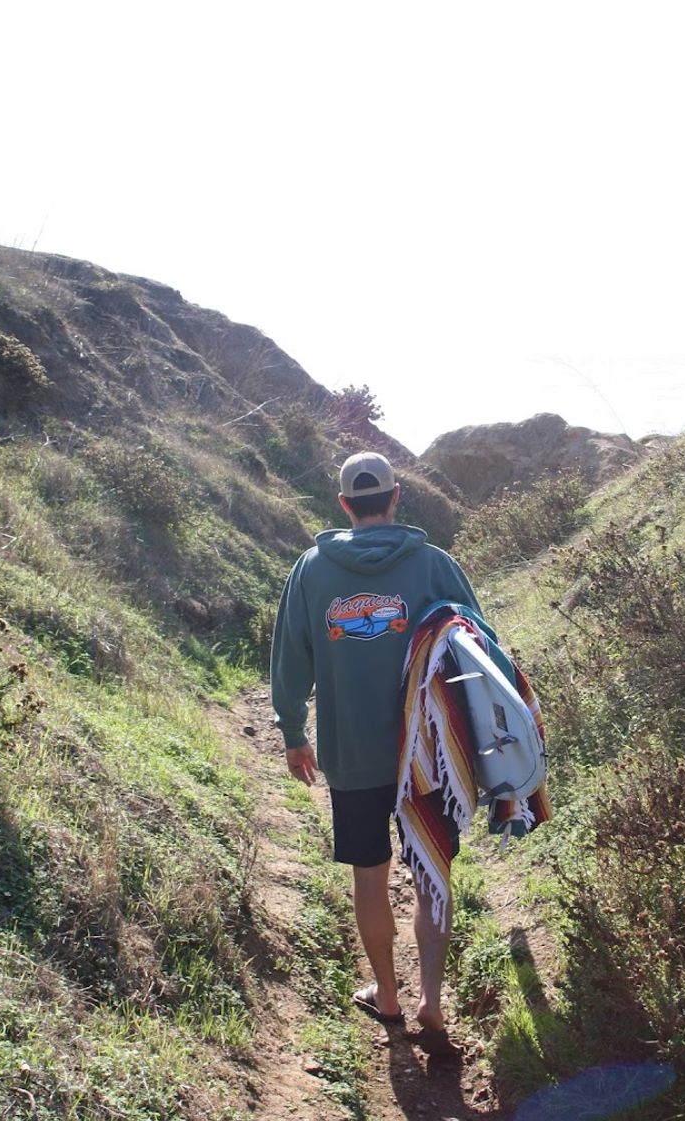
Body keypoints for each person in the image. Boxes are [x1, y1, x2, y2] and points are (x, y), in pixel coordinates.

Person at [271, 450, 482, 1052]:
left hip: (352, 754)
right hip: (429, 756)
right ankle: (432, 1002)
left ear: (344, 505)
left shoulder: (311, 571)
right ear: (395, 499)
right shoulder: (435, 564)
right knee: (430, 872)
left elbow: (290, 659)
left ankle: (387, 995)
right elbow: (479, 648)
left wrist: (293, 732)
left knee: (370, 874)